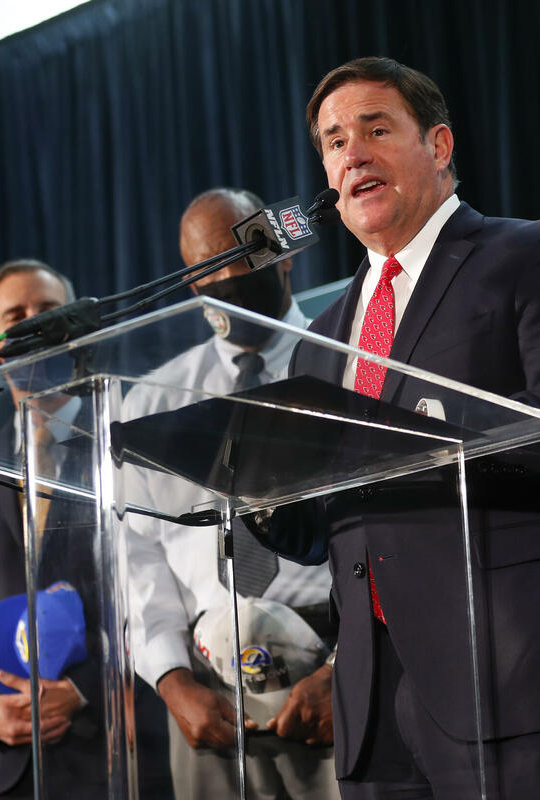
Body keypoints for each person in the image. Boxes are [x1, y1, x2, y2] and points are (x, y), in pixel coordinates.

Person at [251, 57, 540, 799]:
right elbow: (330, 524)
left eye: (375, 129)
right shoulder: (321, 340)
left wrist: (428, 426)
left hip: (515, 673)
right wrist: (265, 497)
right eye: (335, 141)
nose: (353, 154)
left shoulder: (531, 256)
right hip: (373, 703)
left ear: (438, 146)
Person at [0, 259, 172, 799]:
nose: (34, 323)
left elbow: (160, 588)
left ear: (76, 328)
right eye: (16, 316)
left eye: (48, 311)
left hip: (112, 744)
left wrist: (85, 690)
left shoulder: (126, 442)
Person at [123, 188, 340, 799]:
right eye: (206, 268)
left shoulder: (345, 366)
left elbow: (387, 538)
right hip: (207, 686)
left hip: (332, 669)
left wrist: (347, 668)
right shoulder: (154, 401)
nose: (225, 279)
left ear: (284, 252)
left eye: (241, 256)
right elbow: (137, 555)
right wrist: (171, 679)